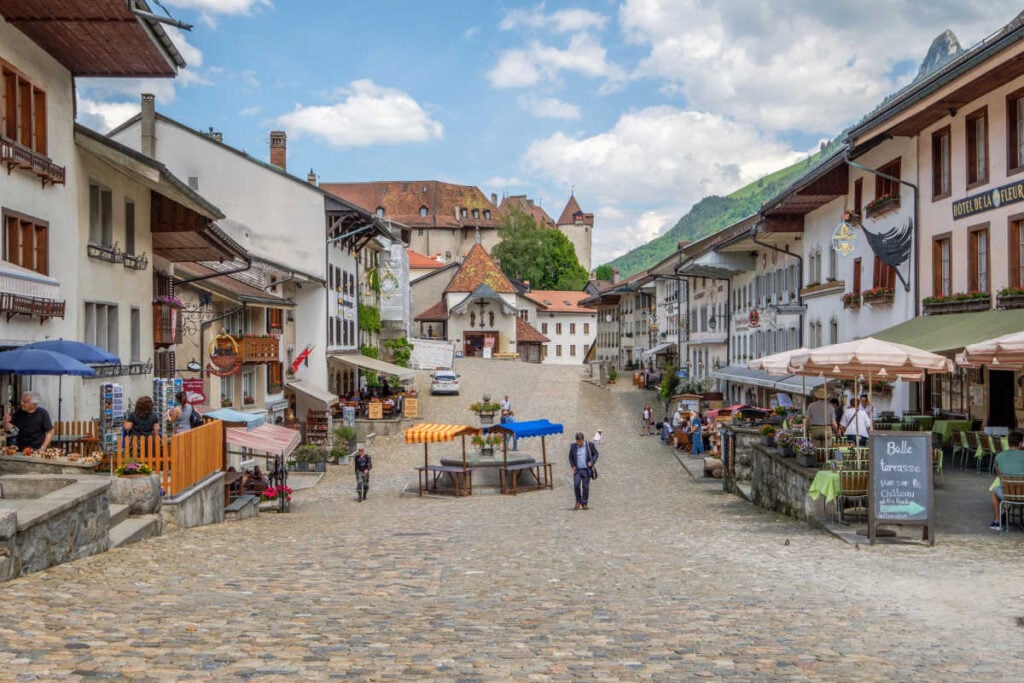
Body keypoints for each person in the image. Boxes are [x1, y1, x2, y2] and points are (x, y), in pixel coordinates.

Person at [991, 430, 1024, 529]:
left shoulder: (999, 456)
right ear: (1020, 443)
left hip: (1007, 494)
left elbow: (998, 475)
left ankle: (997, 521)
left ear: (1008, 443)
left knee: (994, 490)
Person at [568, 431, 599, 510]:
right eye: (578, 442)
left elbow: (596, 454)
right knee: (576, 485)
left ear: (583, 439)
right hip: (577, 470)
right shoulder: (573, 446)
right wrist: (573, 466)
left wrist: (591, 462)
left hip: (586, 470)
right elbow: (570, 457)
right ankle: (578, 501)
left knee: (585, 487)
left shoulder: (589, 445)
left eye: (580, 441)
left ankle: (584, 503)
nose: (579, 443)